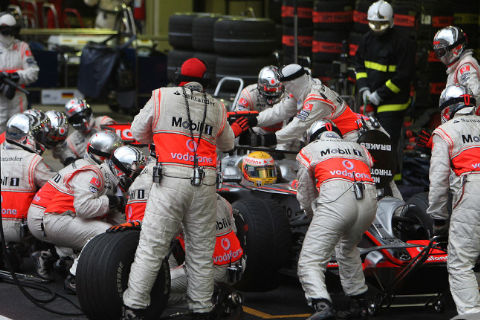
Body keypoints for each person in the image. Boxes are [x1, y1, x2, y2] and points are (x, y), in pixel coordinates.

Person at [122, 57, 235, 319]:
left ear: (177, 77)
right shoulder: (217, 106)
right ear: (206, 81)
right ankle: (201, 308)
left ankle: (134, 307)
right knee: (201, 250)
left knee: (152, 246)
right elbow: (228, 144)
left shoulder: (161, 96)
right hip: (204, 183)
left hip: (169, 181)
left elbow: (137, 132)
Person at [296, 120, 377, 320]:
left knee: (310, 260)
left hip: (337, 202)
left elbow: (305, 191)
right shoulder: (360, 149)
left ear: (313, 136)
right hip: (368, 203)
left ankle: (321, 304)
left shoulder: (309, 150)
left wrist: (312, 215)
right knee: (348, 249)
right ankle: (360, 302)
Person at [36, 132, 127, 290]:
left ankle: (53, 256)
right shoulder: (91, 172)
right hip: (56, 218)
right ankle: (74, 278)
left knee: (104, 228)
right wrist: (111, 201)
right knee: (105, 233)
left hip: (61, 217)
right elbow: (84, 208)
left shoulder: (98, 171)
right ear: (110, 156)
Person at [427, 84, 480, 317]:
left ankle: (472, 314)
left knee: (461, 263)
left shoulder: (445, 131)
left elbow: (438, 181)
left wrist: (439, 219)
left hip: (473, 192)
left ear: (448, 109)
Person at [353, 0, 415, 182]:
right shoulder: (366, 40)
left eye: (381, 24)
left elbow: (404, 76)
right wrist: (364, 88)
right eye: (373, 24)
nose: (377, 28)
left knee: (387, 142)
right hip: (370, 97)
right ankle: (372, 176)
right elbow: (359, 66)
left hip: (393, 101)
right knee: (367, 138)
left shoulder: (403, 42)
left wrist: (380, 94)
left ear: (391, 21)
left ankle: (392, 182)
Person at [1, 113, 55, 244]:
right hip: (21, 232)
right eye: (38, 135)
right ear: (28, 137)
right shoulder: (32, 161)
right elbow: (58, 186)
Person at [0, 13, 39, 132]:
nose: (8, 35)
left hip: (18, 99)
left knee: (19, 133)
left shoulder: (23, 47)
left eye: (11, 31)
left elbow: (33, 72)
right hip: (0, 100)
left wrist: (15, 76)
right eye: (5, 31)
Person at [233, 65, 297, 134]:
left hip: (285, 133)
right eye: (269, 91)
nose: (272, 97)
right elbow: (239, 118)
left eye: (275, 90)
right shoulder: (248, 94)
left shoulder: (291, 94)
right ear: (259, 87)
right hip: (256, 132)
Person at [54, 98, 116, 165]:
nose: (84, 121)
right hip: (91, 171)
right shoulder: (70, 141)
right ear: (71, 121)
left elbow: (122, 143)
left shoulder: (105, 122)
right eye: (77, 119)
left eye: (85, 114)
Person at [433, 26, 480, 106]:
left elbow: (476, 96)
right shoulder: (456, 66)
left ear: (457, 48)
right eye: (438, 52)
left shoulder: (465, 67)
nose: (440, 56)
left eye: (441, 52)